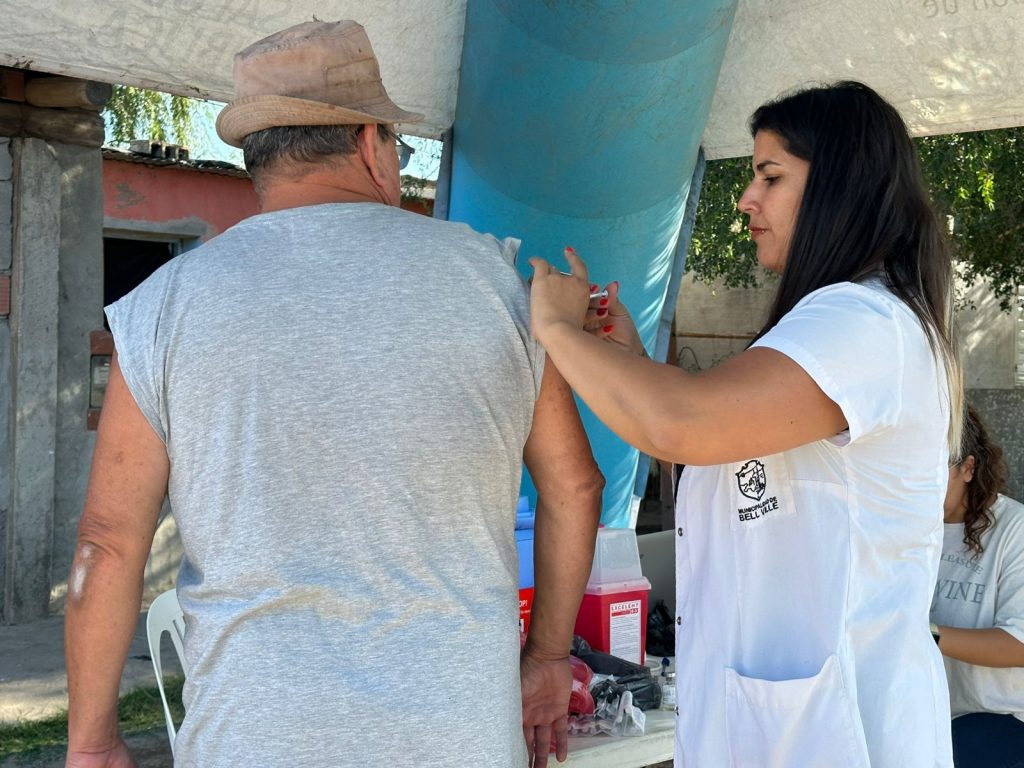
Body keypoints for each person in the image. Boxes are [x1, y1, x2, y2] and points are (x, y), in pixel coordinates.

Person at [64, 20, 603, 768]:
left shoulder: (164, 308)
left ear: (259, 161)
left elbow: (107, 544)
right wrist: (546, 656)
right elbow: (576, 486)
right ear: (367, 142)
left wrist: (92, 741)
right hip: (455, 738)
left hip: (252, 739)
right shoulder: (496, 286)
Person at [528, 81, 962, 766]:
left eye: (770, 176)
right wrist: (634, 365)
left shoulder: (865, 323)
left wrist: (553, 325)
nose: (746, 200)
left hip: (841, 732)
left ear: (838, 189)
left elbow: (679, 424)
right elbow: (718, 444)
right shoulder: (833, 326)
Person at [931, 406, 1024, 768]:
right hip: (929, 712)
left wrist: (925, 634)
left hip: (1003, 717)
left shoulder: (1013, 529)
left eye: (934, 474)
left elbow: (1018, 644)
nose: (920, 488)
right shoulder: (908, 529)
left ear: (968, 468)